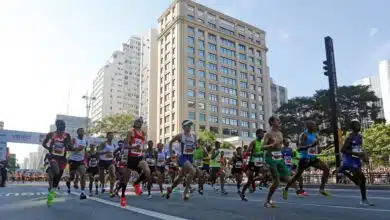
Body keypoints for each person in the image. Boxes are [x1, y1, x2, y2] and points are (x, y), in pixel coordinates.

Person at [284, 120, 330, 198]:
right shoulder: (304, 135)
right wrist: (310, 145)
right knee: (296, 176)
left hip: (313, 158)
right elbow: (299, 148)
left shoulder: (315, 135)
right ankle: (286, 189)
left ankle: (321, 189)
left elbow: (317, 146)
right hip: (304, 159)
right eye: (313, 125)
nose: (315, 127)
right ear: (308, 126)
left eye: (315, 125)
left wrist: (319, 149)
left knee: (327, 169)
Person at [165, 120, 203, 200]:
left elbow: (195, 146)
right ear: (183, 127)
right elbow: (170, 142)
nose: (189, 127)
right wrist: (171, 153)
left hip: (190, 158)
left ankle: (170, 189)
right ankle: (185, 192)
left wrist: (196, 146)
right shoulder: (180, 135)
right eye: (187, 125)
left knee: (180, 177)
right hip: (182, 157)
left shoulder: (194, 136)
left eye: (190, 125)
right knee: (192, 170)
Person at [263, 116, 296, 208]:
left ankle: (284, 189)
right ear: (272, 122)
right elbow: (263, 147)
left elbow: (279, 147)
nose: (279, 121)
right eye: (277, 120)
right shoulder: (268, 134)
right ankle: (267, 201)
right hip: (270, 158)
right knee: (276, 181)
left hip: (279, 158)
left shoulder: (280, 133)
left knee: (289, 179)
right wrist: (272, 144)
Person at [340, 120, 373, 206]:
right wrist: (356, 153)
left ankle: (342, 170)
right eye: (357, 125)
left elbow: (358, 149)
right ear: (353, 127)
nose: (359, 126)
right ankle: (364, 199)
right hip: (349, 160)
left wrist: (363, 156)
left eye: (359, 124)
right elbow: (343, 150)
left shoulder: (360, 137)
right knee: (361, 178)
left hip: (356, 160)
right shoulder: (349, 137)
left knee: (361, 181)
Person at [42, 119, 71, 207]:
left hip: (62, 159)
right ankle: (51, 189)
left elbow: (69, 146)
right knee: (57, 172)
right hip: (53, 157)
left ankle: (50, 196)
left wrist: (71, 148)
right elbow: (44, 143)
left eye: (64, 125)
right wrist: (49, 149)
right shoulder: (51, 134)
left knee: (57, 178)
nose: (63, 126)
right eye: (62, 125)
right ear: (57, 125)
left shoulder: (67, 135)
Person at [239, 129, 267, 201]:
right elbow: (247, 153)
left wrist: (264, 161)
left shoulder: (263, 143)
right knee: (249, 181)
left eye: (263, 134)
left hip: (260, 163)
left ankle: (253, 181)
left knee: (265, 173)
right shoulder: (253, 142)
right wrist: (256, 154)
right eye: (261, 133)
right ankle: (242, 193)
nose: (263, 135)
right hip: (252, 163)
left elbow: (263, 154)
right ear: (257, 134)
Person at [66, 128, 87, 199]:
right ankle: (68, 186)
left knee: (83, 175)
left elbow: (85, 151)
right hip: (72, 160)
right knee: (72, 177)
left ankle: (83, 192)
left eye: (83, 131)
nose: (82, 132)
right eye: (80, 131)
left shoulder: (85, 141)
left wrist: (86, 160)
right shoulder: (74, 139)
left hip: (80, 160)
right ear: (77, 132)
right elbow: (69, 148)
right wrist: (77, 149)